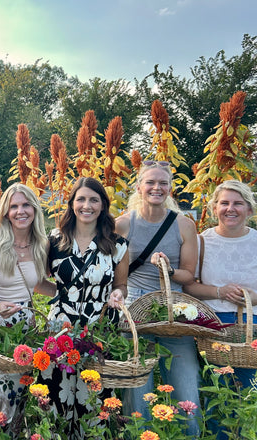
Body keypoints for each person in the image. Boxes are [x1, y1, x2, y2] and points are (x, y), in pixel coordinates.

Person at [115, 160, 200, 437]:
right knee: (137, 397)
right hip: (136, 309)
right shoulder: (124, 224)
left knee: (188, 396)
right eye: (150, 182)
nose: (156, 188)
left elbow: (189, 276)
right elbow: (120, 279)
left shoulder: (184, 226)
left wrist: (170, 270)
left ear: (170, 189)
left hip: (175, 311)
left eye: (163, 183)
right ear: (139, 187)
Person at [42, 177, 128, 440]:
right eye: (81, 199)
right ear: (72, 204)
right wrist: (61, 294)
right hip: (60, 330)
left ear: (103, 205)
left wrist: (117, 293)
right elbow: (38, 279)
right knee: (57, 395)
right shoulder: (54, 240)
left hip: (100, 329)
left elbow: (121, 284)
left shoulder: (117, 244)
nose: (86, 205)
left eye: (94, 200)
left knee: (94, 399)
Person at [0, 183, 56, 438]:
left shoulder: (41, 244)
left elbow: (36, 283)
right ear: (6, 212)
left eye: (26, 205)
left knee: (18, 399)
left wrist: (69, 293)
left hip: (25, 333)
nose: (21, 211)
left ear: (34, 209)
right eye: (14, 206)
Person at [184, 180, 257, 388]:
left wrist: (254, 298)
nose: (230, 209)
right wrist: (219, 291)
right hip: (215, 325)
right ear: (215, 208)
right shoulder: (201, 242)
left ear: (249, 208)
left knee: (250, 394)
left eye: (238, 203)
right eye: (224, 203)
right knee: (218, 394)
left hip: (253, 324)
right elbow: (189, 286)